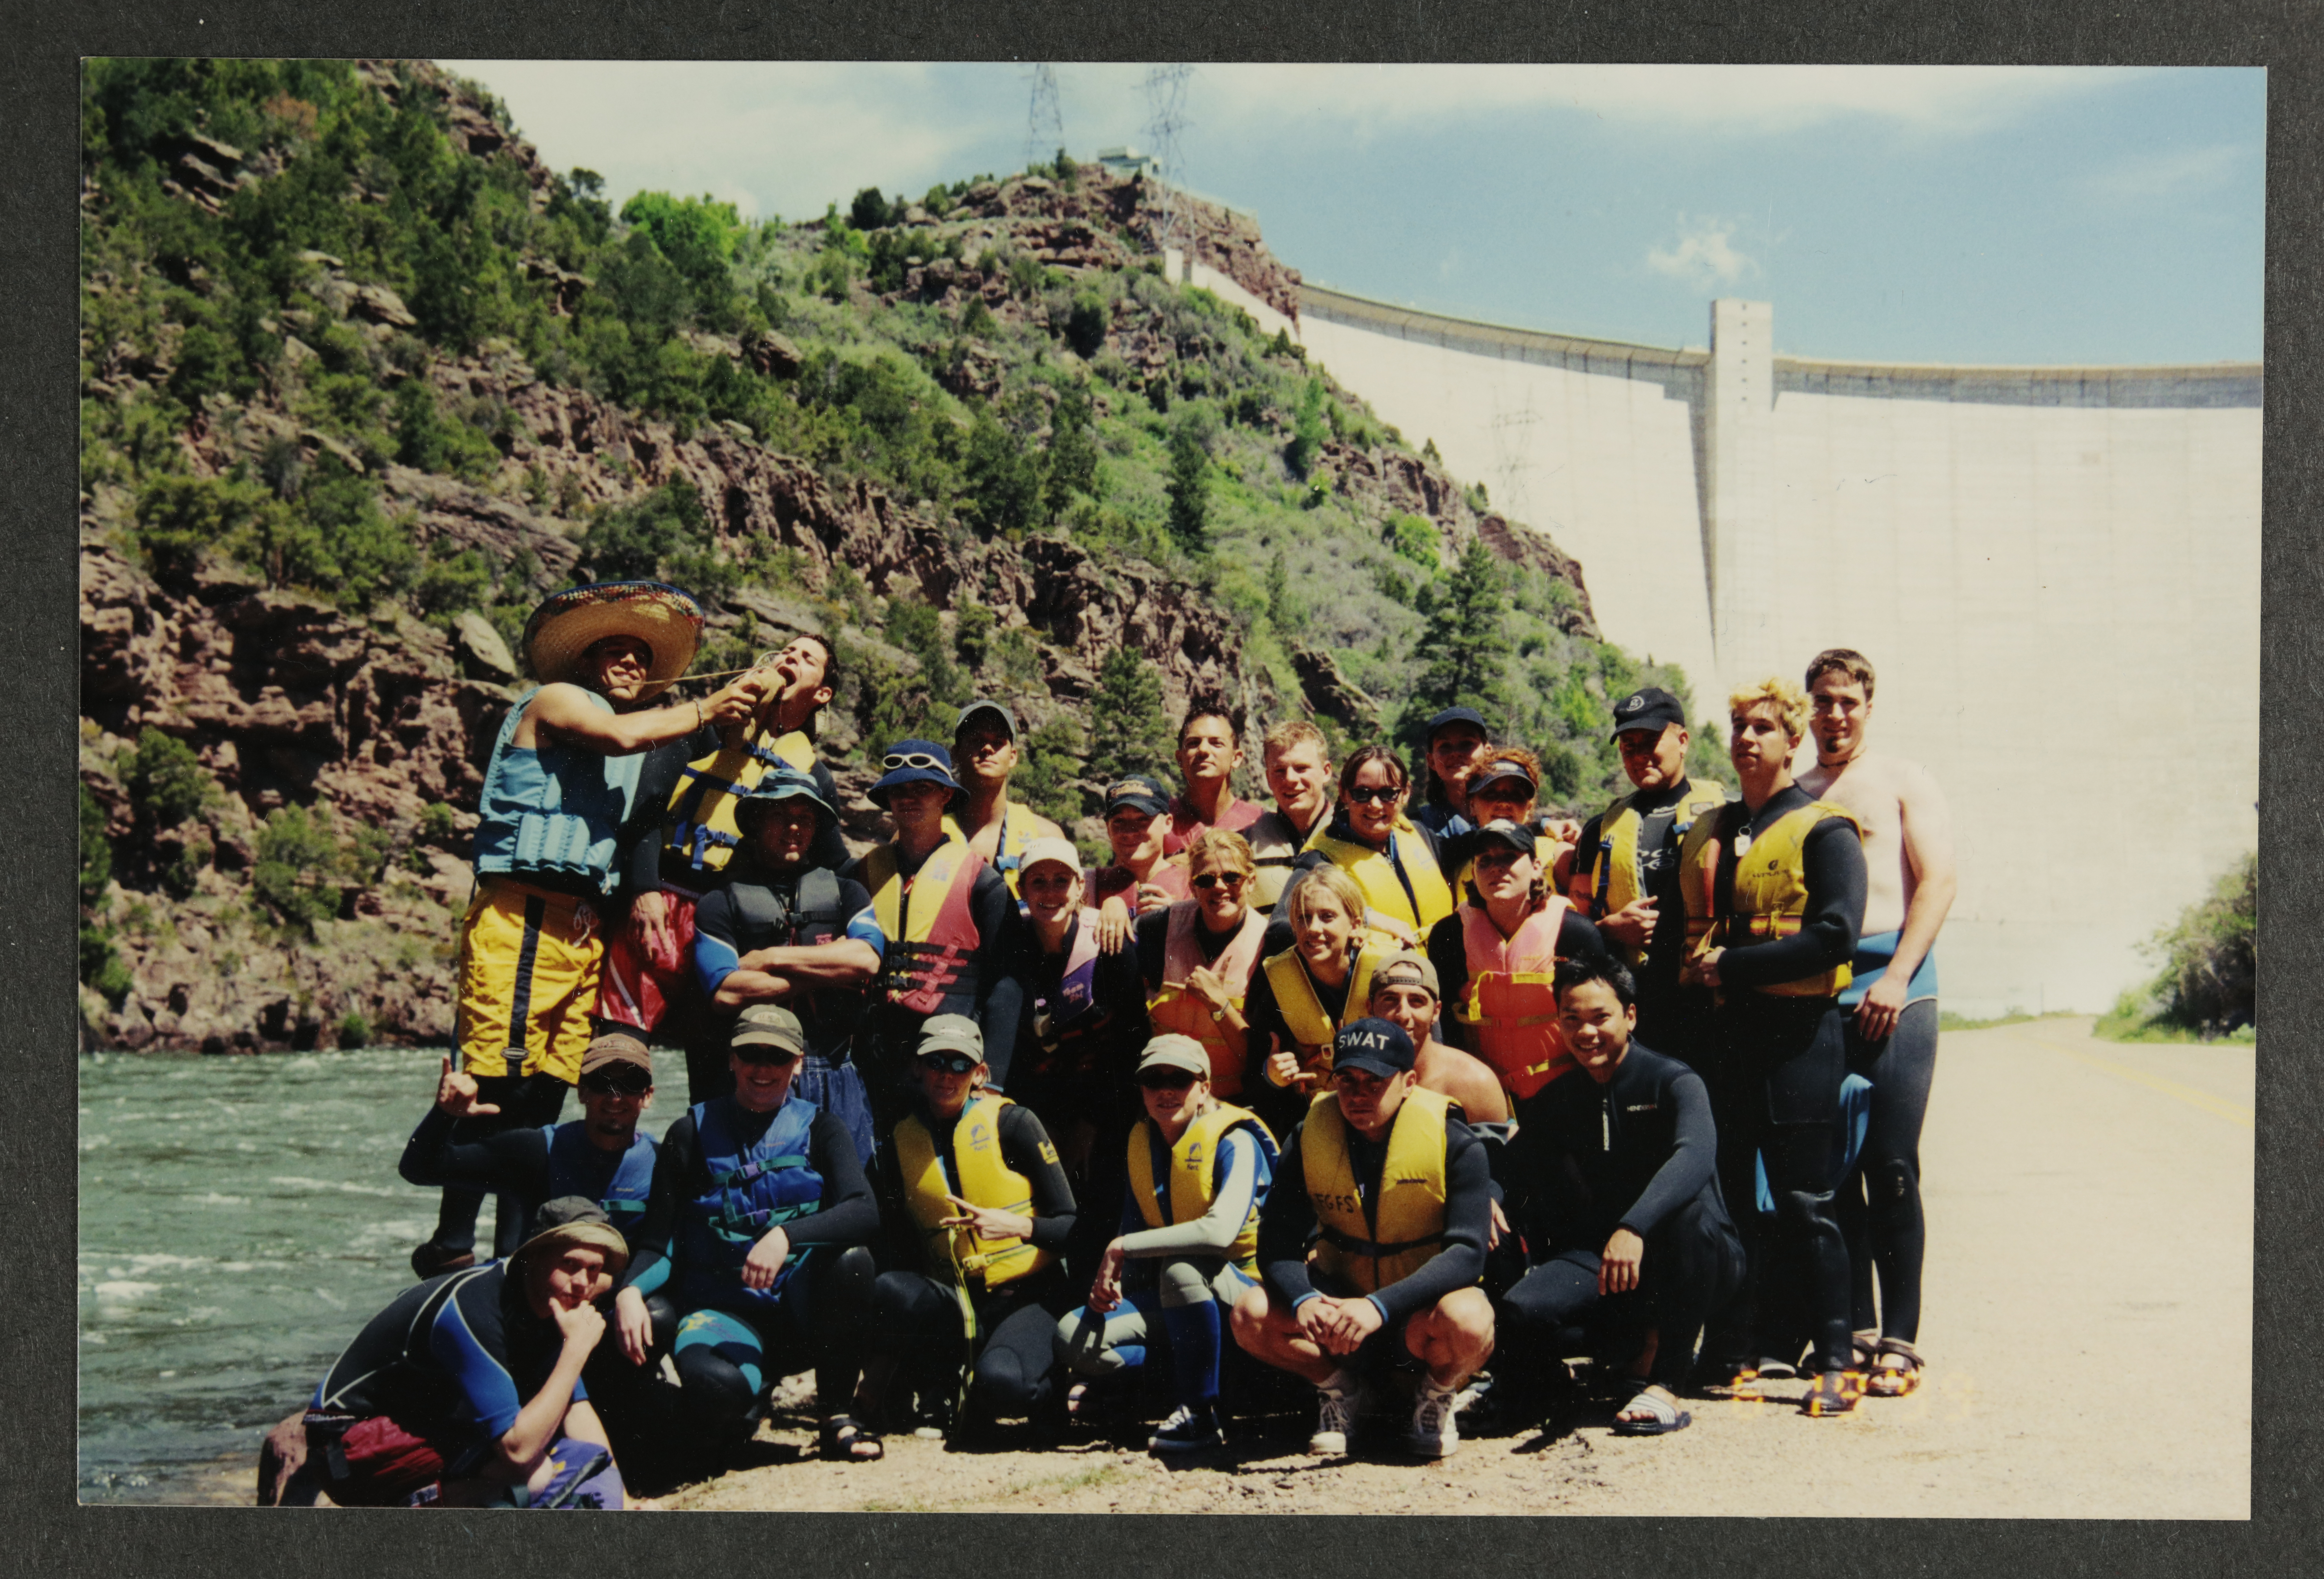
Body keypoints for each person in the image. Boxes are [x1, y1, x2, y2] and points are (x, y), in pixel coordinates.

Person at [417, 581, 764, 1279]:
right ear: (582, 661)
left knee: (546, 1089)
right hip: (522, 916)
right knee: (495, 1077)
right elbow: (623, 732)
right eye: (615, 651)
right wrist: (706, 704)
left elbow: (665, 747)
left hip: (578, 929)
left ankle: (517, 1251)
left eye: (641, 656)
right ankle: (453, 1244)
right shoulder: (558, 703)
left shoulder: (641, 739)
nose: (631, 663)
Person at [1676, 677, 1867, 1417]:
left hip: (1800, 1038)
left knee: (1805, 1201)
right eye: (1738, 728)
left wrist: (1732, 966)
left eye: (1763, 727)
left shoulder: (1826, 831)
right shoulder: (1715, 829)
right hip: (1728, 1040)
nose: (1748, 739)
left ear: (1792, 742)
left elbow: (1835, 935)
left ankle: (1836, 1358)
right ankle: (1734, 1350)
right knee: (1726, 1199)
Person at [1796, 648, 1957, 1399]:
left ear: (1867, 705)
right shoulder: (1795, 794)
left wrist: (1895, 977)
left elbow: (1938, 882)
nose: (1833, 715)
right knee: (1831, 1170)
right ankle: (1852, 1330)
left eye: (1846, 702)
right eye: (1821, 701)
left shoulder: (1900, 780)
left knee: (1889, 1166)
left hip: (1896, 980)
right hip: (1818, 993)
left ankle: (1901, 1338)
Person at [1496, 958, 1745, 1436]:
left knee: (1686, 1215)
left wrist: (1634, 1225)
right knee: (1521, 1311)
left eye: (1599, 1017)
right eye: (1571, 1019)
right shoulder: (1558, 1098)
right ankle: (1585, 1370)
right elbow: (1508, 1166)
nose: (1585, 1032)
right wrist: (1488, 1194)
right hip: (1606, 1263)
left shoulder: (1673, 1081)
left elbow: (1694, 1155)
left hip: (1693, 1257)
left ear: (1629, 1016)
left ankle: (1667, 1383)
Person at [1230, 1019, 1496, 1460]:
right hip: (1340, 1315)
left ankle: (1434, 1394)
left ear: (1408, 1082)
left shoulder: (1457, 1143)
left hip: (1414, 1319)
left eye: (1375, 1081)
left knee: (1469, 1318)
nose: (1358, 1094)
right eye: (1347, 1079)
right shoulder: (1308, 1136)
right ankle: (1342, 1391)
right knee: (1249, 1313)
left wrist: (1378, 1306)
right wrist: (1304, 1301)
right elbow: (1276, 1240)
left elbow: (1468, 1252)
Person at [272, 1199, 634, 1509]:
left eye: (594, 1270)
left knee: (578, 1459)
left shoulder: (549, 1303)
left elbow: (578, 1411)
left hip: (422, 1426)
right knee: (535, 1472)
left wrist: (620, 1500)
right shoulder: (472, 1307)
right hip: (346, 1447)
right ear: (534, 1257)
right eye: (569, 1264)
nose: (582, 1284)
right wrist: (577, 1349)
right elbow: (518, 1452)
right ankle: (416, 1511)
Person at [653, 1005, 885, 1468]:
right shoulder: (688, 1134)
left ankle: (836, 1414)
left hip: (798, 1317)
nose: (763, 1069)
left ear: (798, 1063)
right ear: (731, 1059)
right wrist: (627, 1295)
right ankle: (746, 1400)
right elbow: (656, 1240)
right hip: (726, 1312)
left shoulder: (822, 1127)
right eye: (751, 1054)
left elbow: (863, 1209)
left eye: (777, 1057)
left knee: (853, 1260)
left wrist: (784, 1235)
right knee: (717, 1399)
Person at [598, 633, 848, 1043]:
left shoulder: (813, 776)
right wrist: (644, 892)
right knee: (623, 1046)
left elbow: (835, 864)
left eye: (806, 658)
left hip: (732, 923)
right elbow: (648, 804)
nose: (791, 657)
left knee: (715, 1063)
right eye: (787, 650)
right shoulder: (706, 729)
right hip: (663, 901)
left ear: (822, 693)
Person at [1054, 1035, 1280, 1453]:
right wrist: (1114, 1284)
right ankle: (1177, 1388)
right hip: (1184, 1303)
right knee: (1074, 1338)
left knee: (1181, 1268)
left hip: (1248, 1298)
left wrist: (1121, 1247)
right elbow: (1136, 1231)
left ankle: (1202, 1413)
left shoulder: (1236, 1141)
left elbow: (1219, 1232)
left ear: (1205, 1087)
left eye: (1179, 1079)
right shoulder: (1143, 1142)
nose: (1166, 1091)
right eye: (1153, 1080)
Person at [867, 1017, 1078, 1438]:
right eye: (936, 1062)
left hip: (1025, 1295)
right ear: (918, 1068)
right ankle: (930, 1383)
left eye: (960, 1065)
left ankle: (1046, 1382)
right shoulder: (900, 1142)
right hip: (958, 1303)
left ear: (980, 1073)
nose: (947, 1074)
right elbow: (897, 1243)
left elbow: (1073, 1227)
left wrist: (1017, 1225)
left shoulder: (1014, 1124)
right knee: (888, 1288)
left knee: (1004, 1385)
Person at [688, 767, 883, 1153]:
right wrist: (828, 970)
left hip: (835, 1070)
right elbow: (727, 991)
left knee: (850, 1189)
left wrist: (769, 958)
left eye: (805, 820)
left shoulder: (849, 893)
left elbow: (866, 960)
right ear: (757, 821)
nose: (794, 828)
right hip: (758, 1075)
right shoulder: (719, 903)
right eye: (781, 816)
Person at [843, 740, 1025, 1124]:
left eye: (922, 788)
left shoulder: (983, 883)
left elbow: (1008, 985)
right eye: (899, 789)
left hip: (950, 1061)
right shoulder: (860, 876)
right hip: (877, 1056)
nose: (909, 798)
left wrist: (992, 1082)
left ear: (945, 795)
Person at [1004, 837, 1151, 1266]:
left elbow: (1131, 1045)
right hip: (1040, 1101)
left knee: (1099, 1206)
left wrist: (1092, 1123)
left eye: (1061, 881)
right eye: (1039, 882)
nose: (1050, 893)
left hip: (1105, 1104)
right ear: (1022, 890)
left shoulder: (1110, 945)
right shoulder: (1011, 943)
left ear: (1079, 889)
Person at [1566, 686, 1731, 1057]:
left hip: (1710, 996)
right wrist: (1609, 930)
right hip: (1635, 1001)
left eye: (1650, 742)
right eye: (1629, 747)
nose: (1640, 756)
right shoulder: (1599, 829)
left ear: (1683, 741)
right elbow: (1573, 928)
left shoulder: (1727, 815)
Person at [1429, 820, 1612, 1115]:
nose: (1495, 868)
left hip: (1565, 1094)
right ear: (1474, 872)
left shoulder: (1575, 932)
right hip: (1481, 1097)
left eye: (1508, 857)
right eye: (1484, 860)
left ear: (1537, 866)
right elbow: (1441, 1027)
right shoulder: (1449, 935)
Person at [1242, 864, 1400, 1137]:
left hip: (1387, 1114)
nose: (1314, 928)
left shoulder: (1389, 975)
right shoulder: (1280, 983)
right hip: (1318, 1118)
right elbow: (1254, 1078)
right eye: (1304, 918)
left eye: (1327, 917)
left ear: (1355, 923)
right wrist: (1272, 1076)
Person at [1133, 828, 1271, 1105]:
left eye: (1232, 877)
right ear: (1193, 886)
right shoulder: (1157, 929)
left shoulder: (1269, 945)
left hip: (1235, 1101)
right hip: (1166, 1099)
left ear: (1251, 880)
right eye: (1206, 879)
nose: (1219, 887)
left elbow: (1260, 1058)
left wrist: (1219, 1006)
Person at [1292, 745, 1456, 950]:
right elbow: (1282, 927)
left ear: (1405, 793)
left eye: (1388, 793)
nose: (1376, 805)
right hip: (1386, 979)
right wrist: (1364, 918)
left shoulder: (1421, 835)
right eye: (1362, 794)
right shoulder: (1320, 861)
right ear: (1344, 793)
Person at [1363, 952, 1509, 1126]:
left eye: (1417, 1001)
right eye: (1390, 1000)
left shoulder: (1475, 1083)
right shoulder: (1353, 1077)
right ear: (1370, 1009)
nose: (1403, 1014)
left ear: (1436, 1012)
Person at [953, 699, 1066, 899]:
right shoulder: (926, 834)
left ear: (1013, 757)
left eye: (998, 742)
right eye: (976, 740)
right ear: (956, 754)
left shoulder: (1047, 836)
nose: (987, 748)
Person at [1452, 747, 1579, 899]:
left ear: (1529, 809)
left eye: (1516, 795)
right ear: (1472, 806)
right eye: (1491, 794)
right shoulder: (1460, 868)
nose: (1504, 803)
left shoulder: (1558, 855)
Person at [1090, 773, 1192, 948]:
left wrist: (1181, 916)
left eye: (1143, 819)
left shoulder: (1194, 882)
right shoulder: (1090, 883)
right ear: (1108, 829)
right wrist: (1112, 902)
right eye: (1119, 821)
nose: (1130, 832)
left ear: (1168, 823)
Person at [1245, 720, 1335, 916]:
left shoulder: (1352, 834)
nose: (1291, 779)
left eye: (1302, 768)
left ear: (1326, 772)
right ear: (1268, 778)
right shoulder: (1246, 844)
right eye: (1280, 771)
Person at [1163, 698, 1266, 854]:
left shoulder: (1259, 821)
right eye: (1193, 743)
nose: (1203, 750)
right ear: (1180, 759)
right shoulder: (1159, 820)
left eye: (1216, 743)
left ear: (1236, 758)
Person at [1411, 706, 1490, 840]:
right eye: (1445, 746)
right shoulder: (1418, 826)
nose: (1455, 753)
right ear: (1431, 761)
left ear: (1488, 753)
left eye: (1467, 744)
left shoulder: (1505, 813)